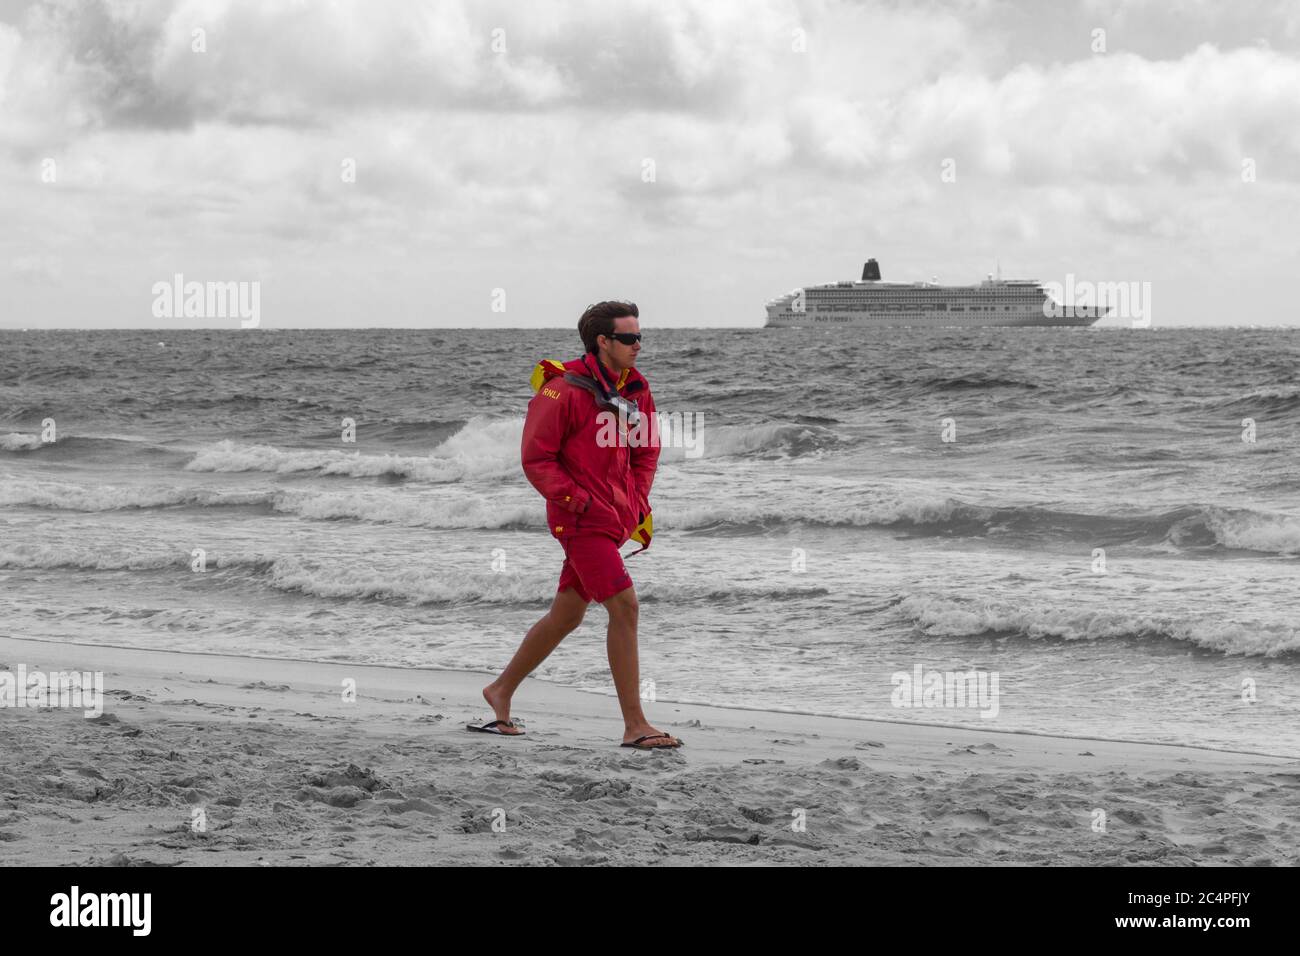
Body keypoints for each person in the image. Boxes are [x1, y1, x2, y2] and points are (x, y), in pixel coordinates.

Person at [473, 300, 682, 750]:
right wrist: (579, 503)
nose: (638, 345)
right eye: (628, 338)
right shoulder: (560, 390)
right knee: (625, 607)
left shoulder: (638, 390)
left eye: (640, 336)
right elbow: (536, 458)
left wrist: (636, 502)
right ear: (602, 341)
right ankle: (635, 725)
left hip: (616, 519)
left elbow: (647, 452)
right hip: (580, 520)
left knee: (566, 615)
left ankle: (500, 690)